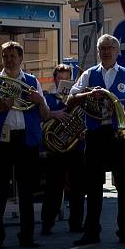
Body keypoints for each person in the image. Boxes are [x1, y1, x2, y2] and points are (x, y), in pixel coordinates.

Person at [0, 41, 51, 249]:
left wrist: (39, 101)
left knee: (27, 191)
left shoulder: (33, 81)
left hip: (26, 141)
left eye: (13, 56)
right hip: (0, 142)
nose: (9, 60)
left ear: (21, 59)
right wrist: (0, 108)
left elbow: (45, 116)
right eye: (5, 56)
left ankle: (27, 237)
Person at [69, 34, 125, 246]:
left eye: (111, 48)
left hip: (120, 134)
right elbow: (71, 98)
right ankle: (91, 232)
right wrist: (88, 95)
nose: (107, 51)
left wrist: (117, 105)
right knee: (92, 186)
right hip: (95, 134)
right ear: (98, 51)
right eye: (103, 48)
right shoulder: (89, 75)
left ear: (117, 51)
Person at [41, 64, 85, 235]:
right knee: (53, 187)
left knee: (77, 187)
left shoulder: (77, 98)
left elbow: (85, 118)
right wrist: (55, 114)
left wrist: (83, 131)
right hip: (56, 149)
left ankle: (76, 223)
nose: (63, 82)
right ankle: (47, 223)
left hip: (76, 146)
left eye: (67, 79)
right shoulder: (49, 98)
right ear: (55, 79)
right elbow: (42, 116)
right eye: (60, 79)